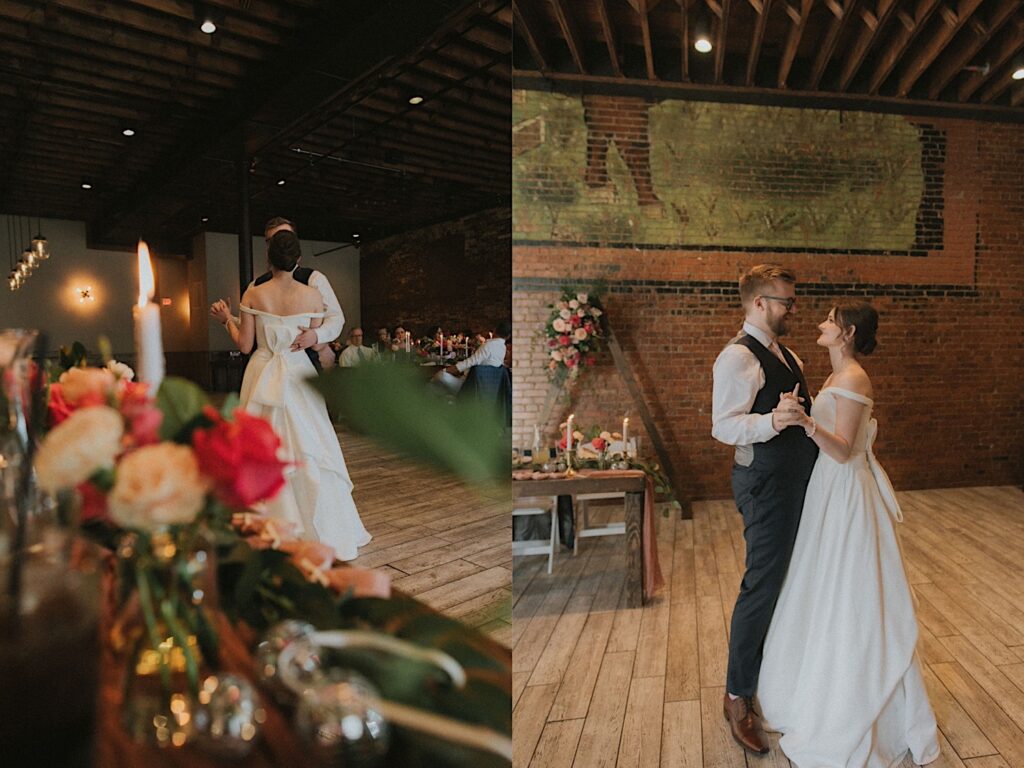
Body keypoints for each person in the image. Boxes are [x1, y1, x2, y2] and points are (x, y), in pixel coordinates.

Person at [757, 302, 939, 766]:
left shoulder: (855, 378)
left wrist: (805, 422)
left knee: (849, 590)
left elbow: (842, 450)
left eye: (829, 321)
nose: (820, 325)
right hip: (827, 491)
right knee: (820, 583)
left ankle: (858, 700)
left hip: (846, 491)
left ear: (847, 332)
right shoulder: (838, 376)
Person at [711, 264, 818, 754]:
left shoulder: (787, 353)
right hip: (765, 485)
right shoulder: (736, 358)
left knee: (792, 580)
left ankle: (780, 676)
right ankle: (737, 697)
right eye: (784, 301)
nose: (791, 308)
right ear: (758, 302)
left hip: (798, 482)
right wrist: (772, 421)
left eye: (792, 300)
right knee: (761, 584)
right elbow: (723, 426)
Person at [227, 230, 370, 561]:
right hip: (298, 372)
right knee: (311, 446)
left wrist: (229, 324)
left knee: (262, 448)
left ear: (268, 258)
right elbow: (314, 336)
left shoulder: (252, 294)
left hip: (262, 371)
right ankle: (323, 529)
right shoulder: (312, 296)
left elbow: (245, 346)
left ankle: (267, 525)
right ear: (299, 260)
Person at [211, 217, 344, 371]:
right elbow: (253, 328)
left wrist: (317, 336)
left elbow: (335, 318)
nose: (281, 244)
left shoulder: (314, 280)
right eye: (272, 240)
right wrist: (228, 319)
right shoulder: (256, 285)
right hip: (266, 368)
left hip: (305, 365)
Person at [446, 320, 510, 377]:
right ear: (508, 336)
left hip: (473, 384)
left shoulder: (489, 345)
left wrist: (447, 370)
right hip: (489, 383)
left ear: (494, 330)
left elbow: (471, 362)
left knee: (441, 376)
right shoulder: (503, 347)